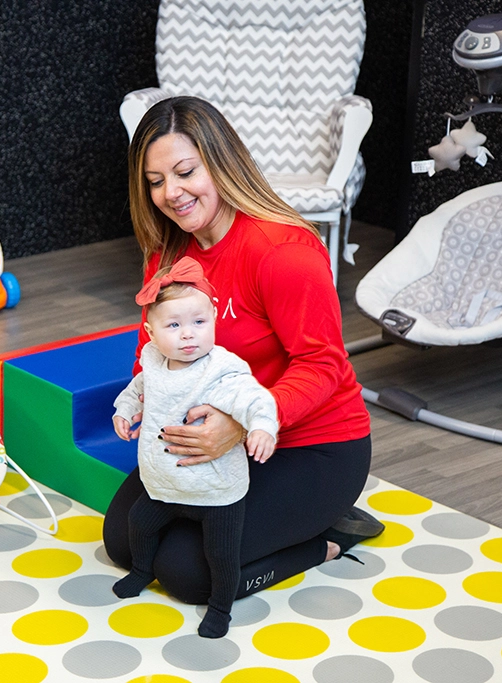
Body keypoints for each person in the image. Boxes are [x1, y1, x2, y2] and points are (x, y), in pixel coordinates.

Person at [103, 96, 384, 614]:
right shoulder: (169, 254)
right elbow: (152, 348)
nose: (172, 193)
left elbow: (324, 366)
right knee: (124, 542)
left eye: (186, 172)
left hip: (310, 444)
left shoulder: (284, 252)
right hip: (216, 445)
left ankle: (327, 536)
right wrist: (141, 406)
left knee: (191, 574)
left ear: (222, 162)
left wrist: (237, 419)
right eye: (156, 180)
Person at [112, 256, 279, 638]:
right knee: (138, 524)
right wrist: (125, 411)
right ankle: (142, 570)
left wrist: (263, 427)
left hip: (216, 489)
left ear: (214, 321)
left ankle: (220, 608)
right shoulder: (153, 360)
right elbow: (138, 389)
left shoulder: (222, 368)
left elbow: (254, 398)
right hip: (165, 482)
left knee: (219, 555)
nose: (188, 335)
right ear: (151, 332)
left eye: (199, 323)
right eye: (174, 325)